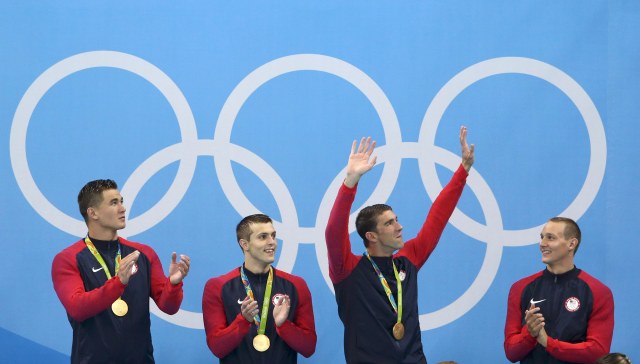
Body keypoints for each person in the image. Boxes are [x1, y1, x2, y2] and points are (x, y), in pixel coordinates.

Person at [325, 126, 475, 363]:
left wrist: (463, 171)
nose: (399, 227)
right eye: (389, 223)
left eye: (397, 220)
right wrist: (350, 183)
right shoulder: (348, 270)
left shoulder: (408, 260)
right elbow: (333, 232)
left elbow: (437, 217)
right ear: (371, 236)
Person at [51, 179, 191, 363]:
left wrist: (173, 284)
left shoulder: (144, 254)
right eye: (113, 203)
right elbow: (78, 308)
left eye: (121, 201)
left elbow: (169, 307)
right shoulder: (68, 259)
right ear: (93, 213)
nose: (122, 208)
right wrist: (118, 283)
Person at [202, 214, 317, 363]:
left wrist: (284, 325)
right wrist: (243, 321)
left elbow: (309, 348)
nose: (272, 243)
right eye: (263, 237)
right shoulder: (218, 286)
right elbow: (217, 347)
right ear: (245, 244)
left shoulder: (296, 285)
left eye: (273, 236)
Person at [504, 217, 614, 363]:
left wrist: (549, 343)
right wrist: (530, 334)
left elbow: (597, 352)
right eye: (542, 237)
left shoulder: (598, 291)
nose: (542, 244)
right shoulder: (521, 288)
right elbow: (511, 353)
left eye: (551, 238)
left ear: (571, 244)